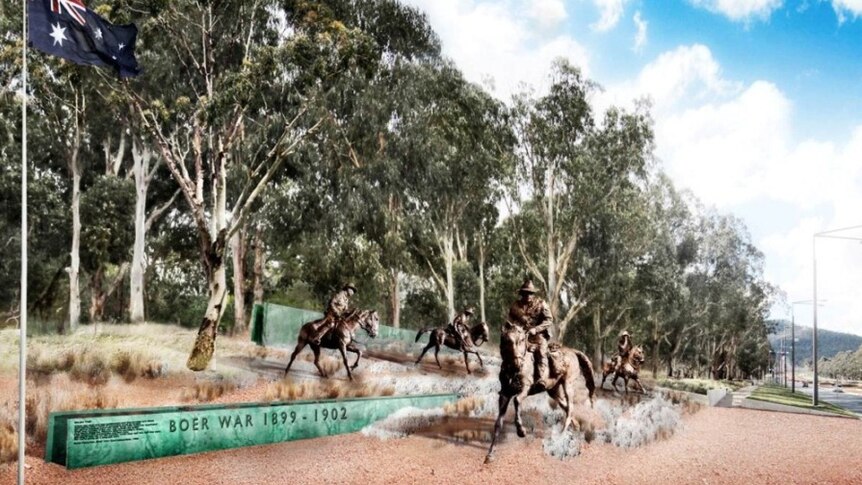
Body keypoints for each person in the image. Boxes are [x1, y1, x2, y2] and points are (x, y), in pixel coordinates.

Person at [507, 279, 555, 389]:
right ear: (521, 294)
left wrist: (536, 329)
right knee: (509, 346)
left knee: (541, 350)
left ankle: (540, 378)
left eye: (530, 293)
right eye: (525, 293)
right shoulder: (516, 306)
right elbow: (509, 320)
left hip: (537, 335)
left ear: (533, 294)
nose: (528, 295)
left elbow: (549, 320)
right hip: (519, 333)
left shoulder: (541, 304)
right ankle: (507, 373)